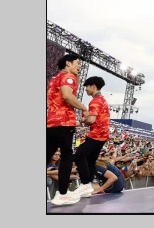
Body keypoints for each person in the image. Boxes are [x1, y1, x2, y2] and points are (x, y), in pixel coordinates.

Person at [47, 54, 88, 206]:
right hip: (64, 123)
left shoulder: (53, 79)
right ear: (68, 63)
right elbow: (67, 95)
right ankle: (63, 193)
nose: (79, 66)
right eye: (78, 63)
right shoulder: (69, 77)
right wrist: (83, 108)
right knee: (66, 157)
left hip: (51, 122)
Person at [72, 76, 110, 198]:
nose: (86, 90)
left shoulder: (95, 101)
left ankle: (85, 184)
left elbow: (92, 120)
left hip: (96, 135)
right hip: (103, 135)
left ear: (93, 86)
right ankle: (87, 186)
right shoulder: (103, 99)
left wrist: (83, 121)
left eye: (87, 87)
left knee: (79, 155)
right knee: (91, 161)